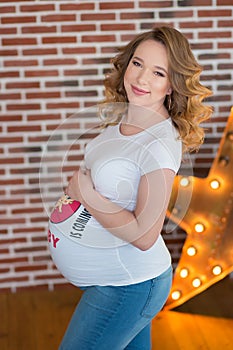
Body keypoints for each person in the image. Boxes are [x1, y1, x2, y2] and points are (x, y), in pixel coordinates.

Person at [49, 26, 212, 349]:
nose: (141, 79)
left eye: (158, 72)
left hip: (129, 284)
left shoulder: (158, 145)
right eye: (137, 64)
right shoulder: (126, 121)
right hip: (119, 280)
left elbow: (144, 234)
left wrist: (86, 195)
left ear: (171, 85)